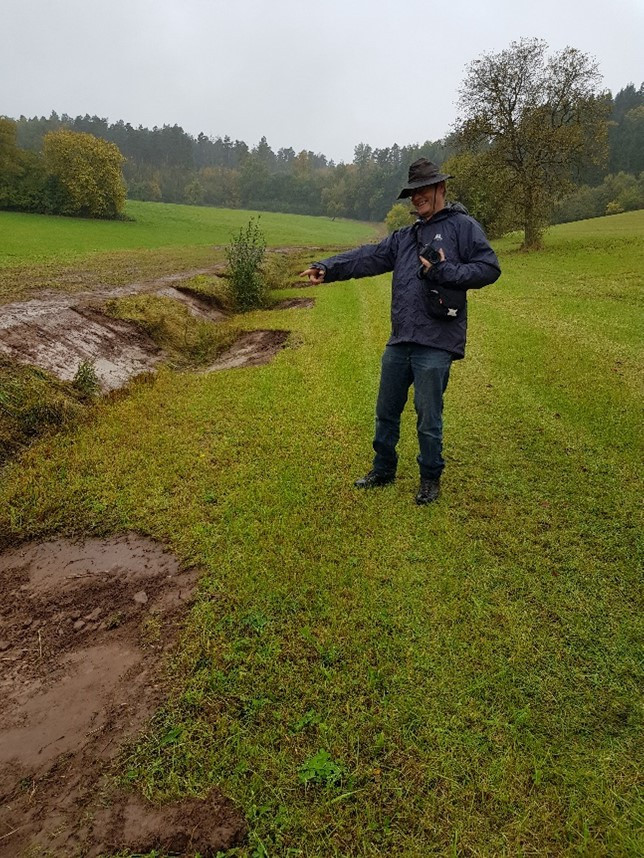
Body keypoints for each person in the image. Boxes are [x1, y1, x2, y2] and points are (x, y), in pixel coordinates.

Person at [301, 158, 501, 505]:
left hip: (437, 340)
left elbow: (488, 268)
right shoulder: (405, 237)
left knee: (428, 416)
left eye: (422, 190)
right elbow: (368, 257)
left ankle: (429, 478)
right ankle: (383, 468)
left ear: (440, 188)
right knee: (386, 409)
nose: (416, 198)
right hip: (401, 338)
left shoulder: (462, 227)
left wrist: (444, 270)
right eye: (412, 192)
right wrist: (327, 267)